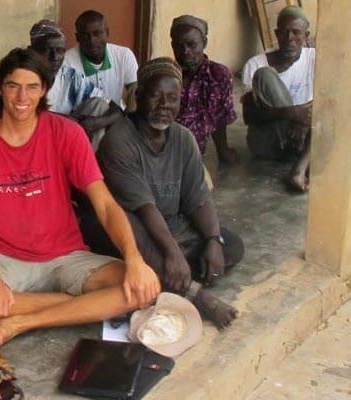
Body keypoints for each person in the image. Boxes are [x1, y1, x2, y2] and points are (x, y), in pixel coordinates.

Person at [0, 48, 160, 347]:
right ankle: (77, 305)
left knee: (143, 287)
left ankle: (22, 321)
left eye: (32, 87)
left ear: (45, 89)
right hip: (6, 259)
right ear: (0, 87)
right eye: (13, 86)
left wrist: (134, 258)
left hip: (67, 256)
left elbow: (105, 204)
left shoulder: (67, 133)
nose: (22, 97)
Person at [90, 58, 246, 327]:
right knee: (131, 229)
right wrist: (173, 253)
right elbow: (144, 207)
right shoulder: (119, 139)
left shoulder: (182, 138)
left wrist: (212, 239)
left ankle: (167, 274)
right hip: (137, 229)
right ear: (138, 96)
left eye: (173, 98)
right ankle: (196, 294)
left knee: (231, 245)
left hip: (172, 227)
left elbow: (198, 199)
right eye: (156, 96)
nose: (164, 106)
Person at [240, 6, 316, 192]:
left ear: (306, 36)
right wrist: (292, 113)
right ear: (276, 33)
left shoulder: (315, 58)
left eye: (296, 33)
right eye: (284, 32)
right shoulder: (255, 64)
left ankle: (299, 169)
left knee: (333, 112)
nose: (289, 38)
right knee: (264, 75)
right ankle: (307, 161)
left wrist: (303, 121)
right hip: (268, 143)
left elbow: (332, 101)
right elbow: (249, 117)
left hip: (303, 138)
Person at [27, 19, 122, 150]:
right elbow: (22, 114)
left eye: (60, 51)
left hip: (65, 139)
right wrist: (67, 121)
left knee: (99, 105)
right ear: (32, 51)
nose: (54, 57)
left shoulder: (69, 76)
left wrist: (94, 123)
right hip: (33, 143)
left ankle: (90, 165)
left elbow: (117, 111)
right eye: (46, 50)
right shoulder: (22, 76)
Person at [170, 15, 240, 164]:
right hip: (164, 148)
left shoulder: (218, 75)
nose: (185, 51)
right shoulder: (165, 75)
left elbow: (220, 116)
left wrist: (222, 150)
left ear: (204, 43)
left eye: (192, 44)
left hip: (194, 154)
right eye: (179, 45)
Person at [63, 10, 139, 110]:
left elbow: (135, 93)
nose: (92, 40)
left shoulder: (124, 55)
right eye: (85, 35)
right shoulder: (66, 62)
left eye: (97, 33)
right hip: (81, 120)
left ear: (107, 33)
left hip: (116, 118)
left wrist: (129, 123)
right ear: (78, 38)